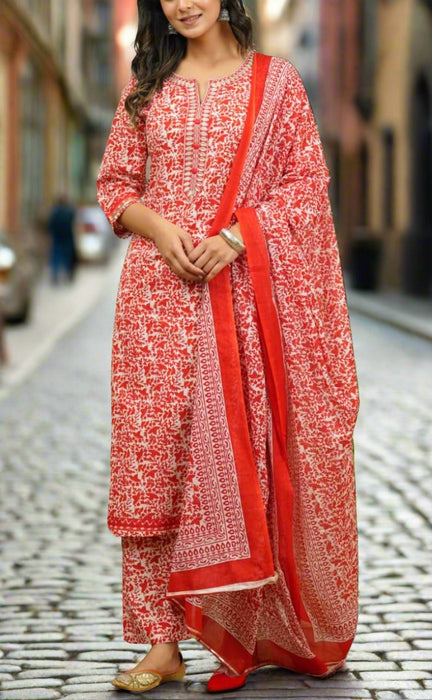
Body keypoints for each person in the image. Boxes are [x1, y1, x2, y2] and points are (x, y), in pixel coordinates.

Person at [97, 0, 360, 694]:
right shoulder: (146, 85)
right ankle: (162, 642)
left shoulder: (277, 84)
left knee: (243, 461)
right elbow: (115, 186)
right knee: (154, 460)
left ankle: (250, 629)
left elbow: (306, 188)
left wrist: (236, 237)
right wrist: (158, 230)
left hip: (243, 301)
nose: (183, 2)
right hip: (156, 305)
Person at [47, 195, 76, 284]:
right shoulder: (69, 212)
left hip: (57, 238)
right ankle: (67, 276)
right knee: (66, 258)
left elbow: (50, 225)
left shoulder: (55, 212)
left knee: (56, 258)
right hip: (67, 238)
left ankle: (55, 276)